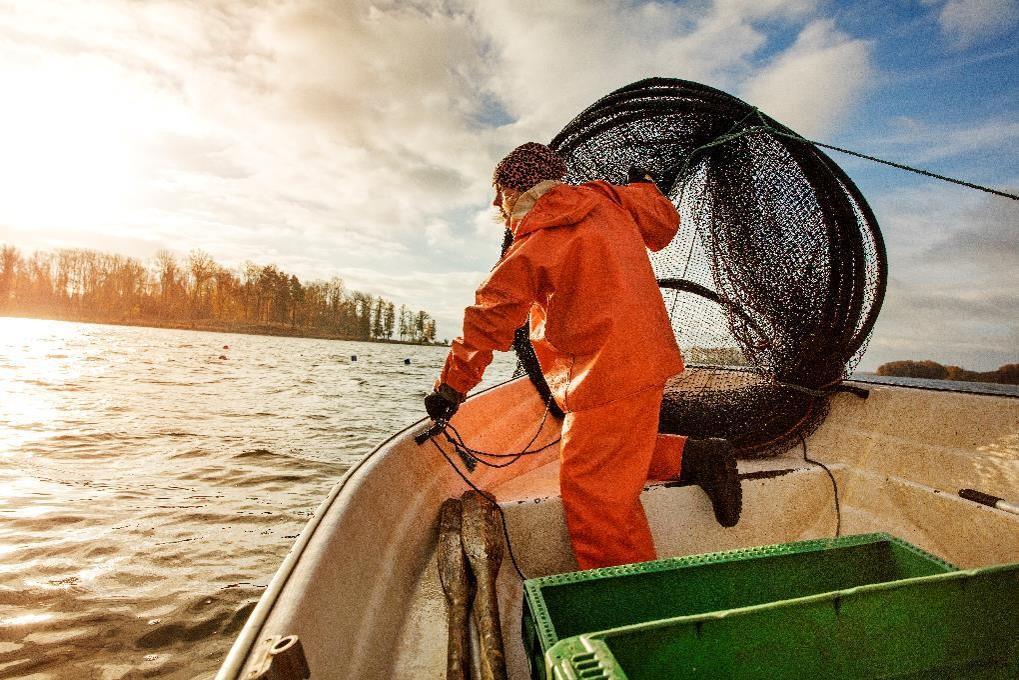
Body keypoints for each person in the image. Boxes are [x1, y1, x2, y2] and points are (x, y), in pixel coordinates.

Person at [426, 142, 741, 570]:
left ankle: (624, 611)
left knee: (592, 492)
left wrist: (451, 387)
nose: (498, 207)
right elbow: (663, 222)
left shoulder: (533, 245)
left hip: (602, 376)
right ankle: (696, 456)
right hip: (650, 360)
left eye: (499, 197)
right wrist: (646, 184)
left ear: (512, 193)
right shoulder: (610, 199)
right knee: (610, 449)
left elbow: (488, 322)